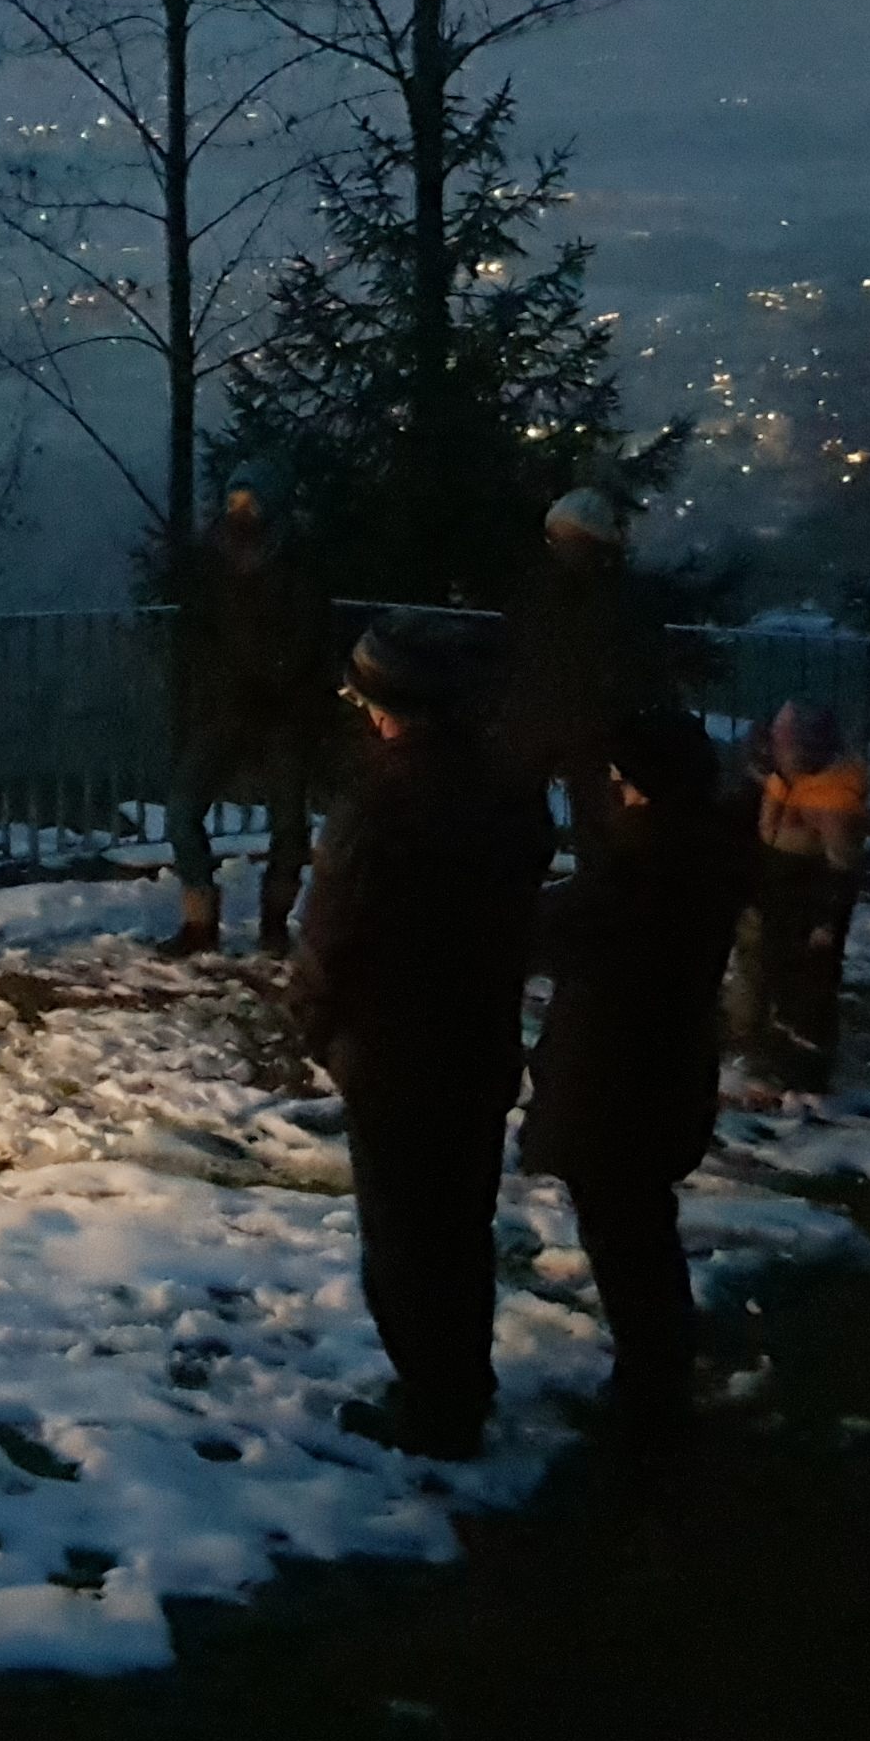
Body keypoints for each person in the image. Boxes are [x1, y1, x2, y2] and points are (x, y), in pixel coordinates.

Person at [289, 614, 552, 1461]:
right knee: (460, 1223)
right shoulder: (505, 788)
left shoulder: (381, 797)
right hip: (477, 1036)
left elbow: (334, 927)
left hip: (395, 1043)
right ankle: (459, 1384)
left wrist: (315, 1021)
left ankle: (432, 1404)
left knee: (403, 1234)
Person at [520, 706, 748, 1444]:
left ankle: (651, 1394)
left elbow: (553, 930)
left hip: (618, 1076)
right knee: (640, 1227)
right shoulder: (701, 849)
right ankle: (656, 1372)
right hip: (662, 1068)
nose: (616, 789)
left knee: (626, 1233)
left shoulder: (646, 864)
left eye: (624, 778)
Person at [162, 479, 324, 957]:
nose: (240, 511)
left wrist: (277, 683)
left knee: (289, 825)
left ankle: (274, 923)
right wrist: (215, 687)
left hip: (283, 711)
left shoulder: (297, 566)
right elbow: (200, 635)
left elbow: (308, 639)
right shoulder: (214, 563)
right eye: (233, 501)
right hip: (228, 708)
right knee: (181, 809)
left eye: (249, 502)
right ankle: (199, 921)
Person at [493, 486, 680, 843]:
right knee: (593, 820)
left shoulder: (544, 589)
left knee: (530, 813)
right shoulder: (625, 594)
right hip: (592, 721)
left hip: (554, 718)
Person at [746, 698, 870, 1094]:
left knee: (809, 991)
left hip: (808, 900)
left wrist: (828, 920)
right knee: (779, 979)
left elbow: (843, 867)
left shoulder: (832, 798)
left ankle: (805, 1074)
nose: (776, 744)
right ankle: (778, 1061)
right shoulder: (787, 779)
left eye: (785, 738)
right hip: (780, 894)